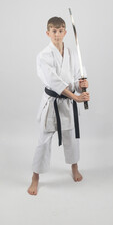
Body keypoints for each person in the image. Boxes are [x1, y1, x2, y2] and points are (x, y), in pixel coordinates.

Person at [27, 17, 89, 195]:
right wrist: (76, 97)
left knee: (72, 138)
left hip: (68, 104)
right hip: (52, 104)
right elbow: (55, 82)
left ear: (65, 33)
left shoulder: (70, 53)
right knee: (43, 141)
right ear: (48, 33)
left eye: (60, 30)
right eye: (53, 31)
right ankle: (35, 177)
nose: (57, 34)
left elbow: (76, 77)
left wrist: (82, 85)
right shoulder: (43, 56)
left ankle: (74, 167)